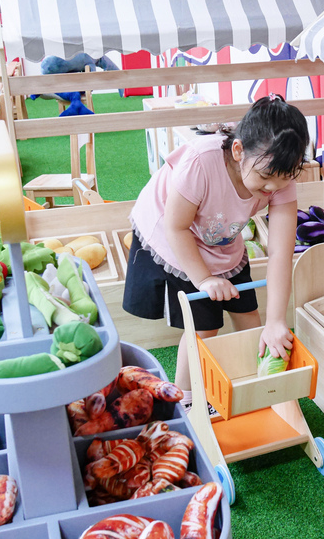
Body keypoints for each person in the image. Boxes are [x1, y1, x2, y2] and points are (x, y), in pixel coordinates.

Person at [123, 93, 311, 404]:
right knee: (203, 327)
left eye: (284, 179)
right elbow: (176, 227)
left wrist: (277, 321)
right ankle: (184, 399)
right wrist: (205, 280)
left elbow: (280, 250)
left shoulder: (279, 173)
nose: (274, 188)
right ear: (238, 150)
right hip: (173, 231)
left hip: (219, 235)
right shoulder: (202, 162)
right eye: (266, 178)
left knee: (249, 315)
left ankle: (255, 386)